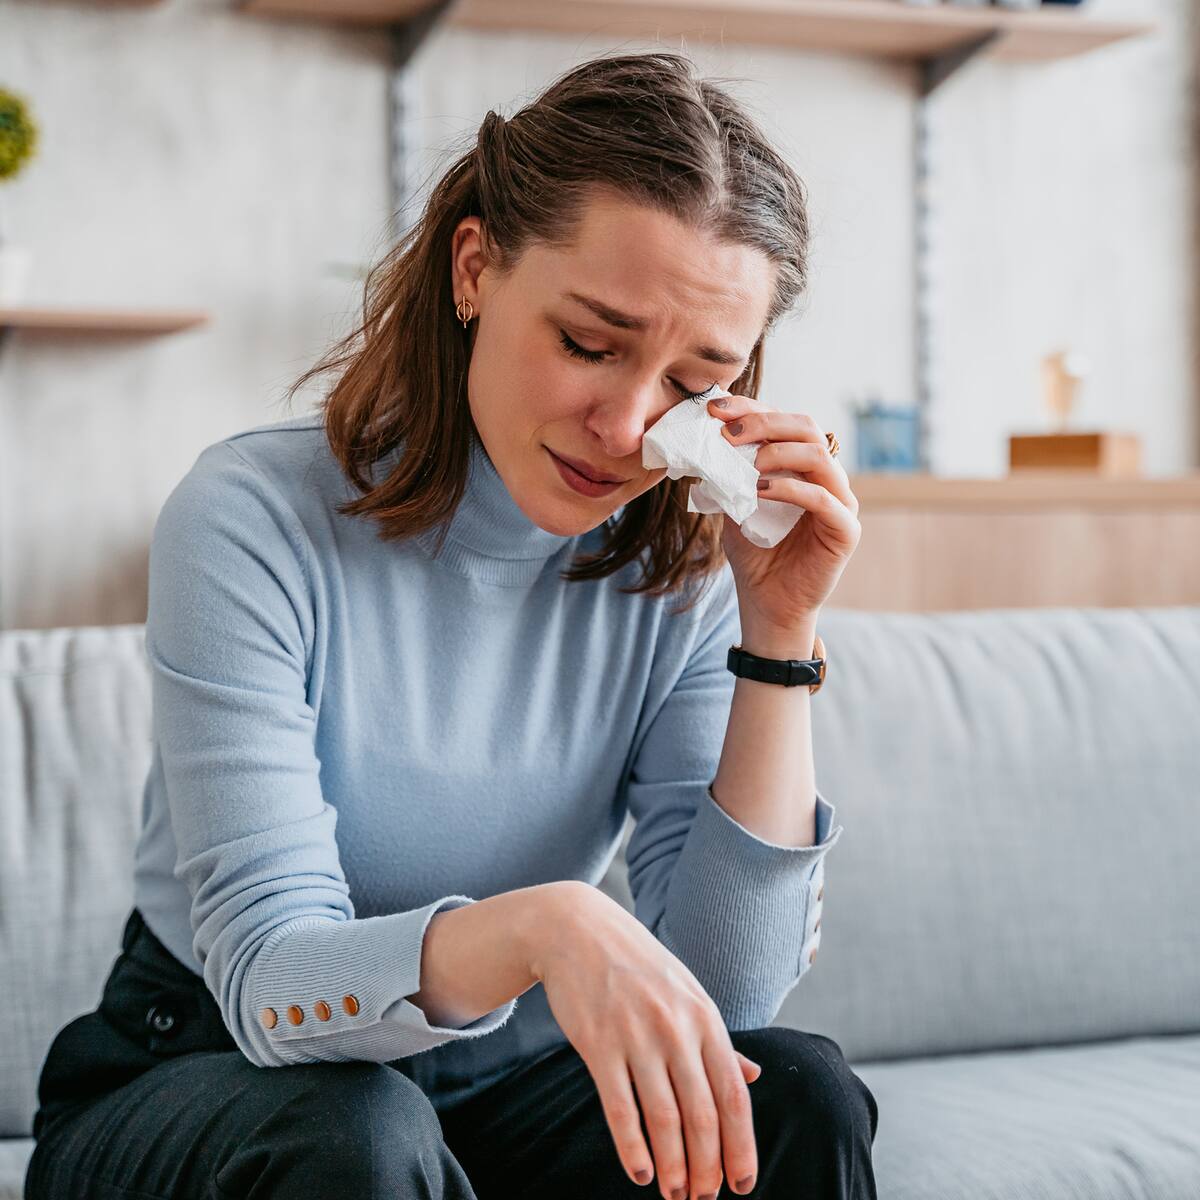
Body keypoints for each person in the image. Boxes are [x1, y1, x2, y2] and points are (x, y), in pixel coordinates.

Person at [25, 49, 874, 1200]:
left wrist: (777, 634)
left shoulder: (679, 575)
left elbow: (726, 1000)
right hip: (215, 1077)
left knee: (796, 1097)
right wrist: (549, 928)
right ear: (475, 269)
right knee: (360, 1136)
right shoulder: (249, 522)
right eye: (588, 343)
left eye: (692, 382)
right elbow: (273, 985)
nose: (629, 427)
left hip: (494, 1091)